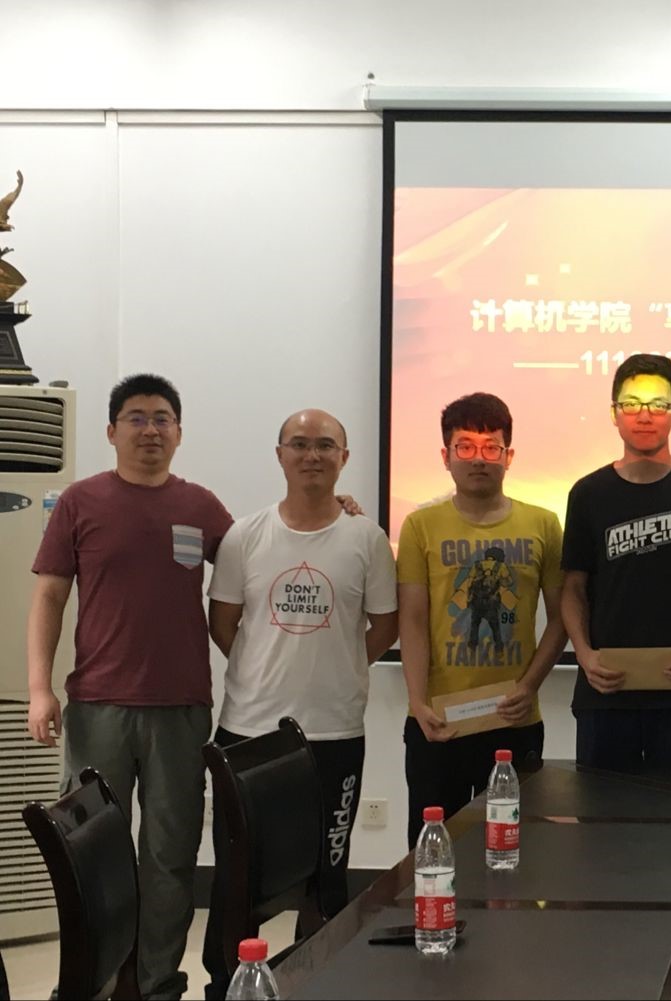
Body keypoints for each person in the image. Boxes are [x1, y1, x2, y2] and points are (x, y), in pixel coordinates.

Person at [27, 373, 232, 1000]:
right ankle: (92, 983)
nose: (150, 429)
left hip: (181, 710)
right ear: (112, 431)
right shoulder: (80, 502)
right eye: (136, 418)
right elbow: (49, 598)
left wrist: (339, 510)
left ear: (179, 433)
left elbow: (265, 560)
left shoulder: (202, 507)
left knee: (170, 857)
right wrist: (40, 688)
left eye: (162, 418)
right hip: (98, 708)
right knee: (93, 856)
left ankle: (156, 984)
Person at [201, 409, 398, 997]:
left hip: (335, 733)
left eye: (326, 445)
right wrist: (268, 669)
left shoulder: (367, 539)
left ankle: (320, 983)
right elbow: (224, 623)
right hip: (249, 732)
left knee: (327, 872)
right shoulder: (244, 536)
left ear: (344, 457)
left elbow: (384, 627)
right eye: (300, 444)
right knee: (238, 873)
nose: (313, 455)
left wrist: (337, 667)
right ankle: (226, 985)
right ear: (280, 454)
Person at [397, 392, 566, 845]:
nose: (478, 458)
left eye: (491, 447)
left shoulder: (544, 525)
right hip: (438, 721)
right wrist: (417, 701)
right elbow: (412, 620)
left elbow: (562, 618)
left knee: (514, 849)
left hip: (515, 719)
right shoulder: (420, 526)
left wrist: (529, 686)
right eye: (465, 446)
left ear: (508, 457)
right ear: (446, 456)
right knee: (434, 847)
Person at [561, 353, 671, 771]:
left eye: (659, 404)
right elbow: (572, 589)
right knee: (600, 807)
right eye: (632, 404)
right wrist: (584, 654)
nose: (645, 415)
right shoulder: (587, 493)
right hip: (605, 691)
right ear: (614, 413)